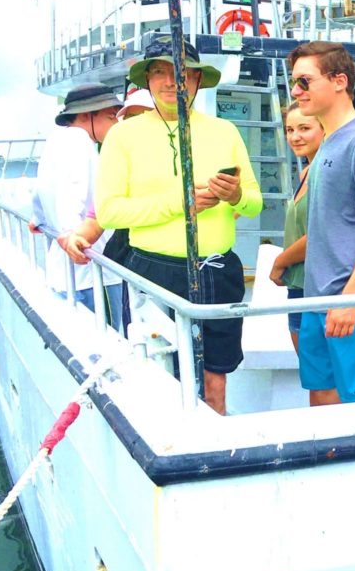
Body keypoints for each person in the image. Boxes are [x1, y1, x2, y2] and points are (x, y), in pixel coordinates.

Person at [96, 37, 263, 415]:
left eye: (182, 73)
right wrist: (180, 206)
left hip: (218, 269)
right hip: (153, 272)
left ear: (198, 80)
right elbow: (109, 213)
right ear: (148, 81)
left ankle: (215, 445)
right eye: (161, 72)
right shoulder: (123, 136)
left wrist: (235, 195)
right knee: (158, 376)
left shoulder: (225, 131)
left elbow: (254, 203)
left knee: (217, 378)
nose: (173, 82)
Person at [288, 41, 355, 405]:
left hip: (352, 298)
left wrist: (350, 300)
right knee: (320, 396)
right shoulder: (328, 142)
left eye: (304, 81)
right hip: (315, 300)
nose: (295, 91)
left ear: (338, 81)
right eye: (294, 82)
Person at [31, 83, 126, 329]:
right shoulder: (79, 142)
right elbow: (74, 191)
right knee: (109, 341)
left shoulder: (55, 141)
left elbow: (40, 195)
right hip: (93, 274)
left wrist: (40, 220)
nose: (116, 124)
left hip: (63, 273)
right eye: (110, 116)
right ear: (87, 115)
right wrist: (73, 235)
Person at [269, 101, 324, 356]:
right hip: (299, 285)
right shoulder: (306, 173)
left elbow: (321, 233)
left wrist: (280, 261)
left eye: (304, 128)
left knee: (322, 376)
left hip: (317, 286)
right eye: (290, 130)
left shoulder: (324, 172)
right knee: (312, 375)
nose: (295, 136)